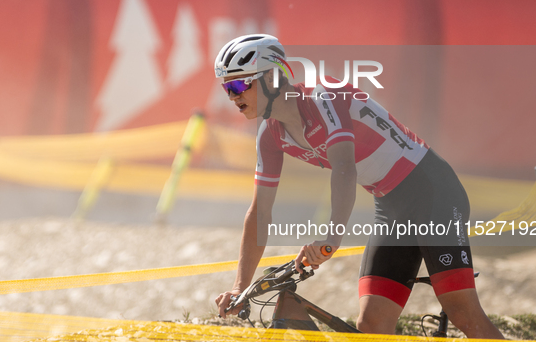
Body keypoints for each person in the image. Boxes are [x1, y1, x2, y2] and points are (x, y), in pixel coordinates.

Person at [214, 34, 503, 338]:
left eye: (239, 85)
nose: (232, 96)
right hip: (391, 206)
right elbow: (260, 211)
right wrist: (240, 286)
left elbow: (344, 168)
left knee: (462, 312)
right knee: (372, 325)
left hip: (431, 189)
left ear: (272, 78)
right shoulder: (269, 136)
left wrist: (330, 237)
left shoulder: (324, 95)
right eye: (226, 88)